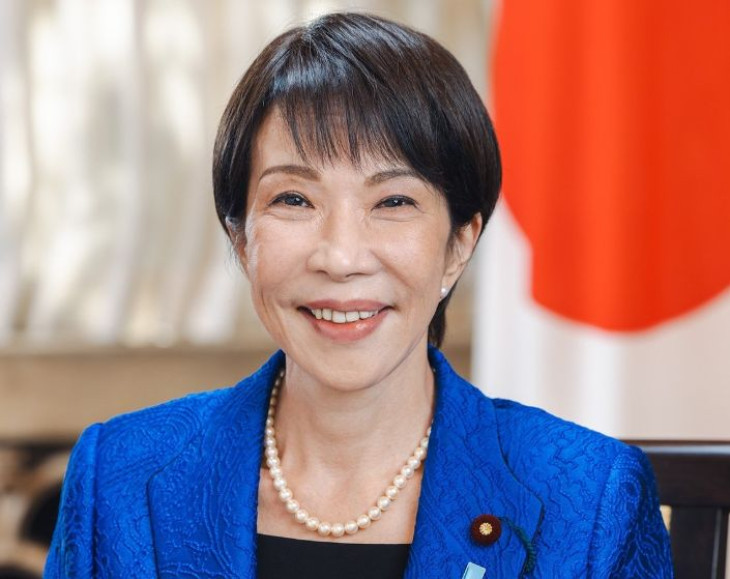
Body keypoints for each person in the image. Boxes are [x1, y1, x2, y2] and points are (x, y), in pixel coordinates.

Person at [45, 12, 673, 579]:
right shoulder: (117, 476)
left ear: (459, 245)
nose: (341, 257)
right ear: (240, 237)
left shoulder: (589, 497)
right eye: (294, 199)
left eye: (393, 201)